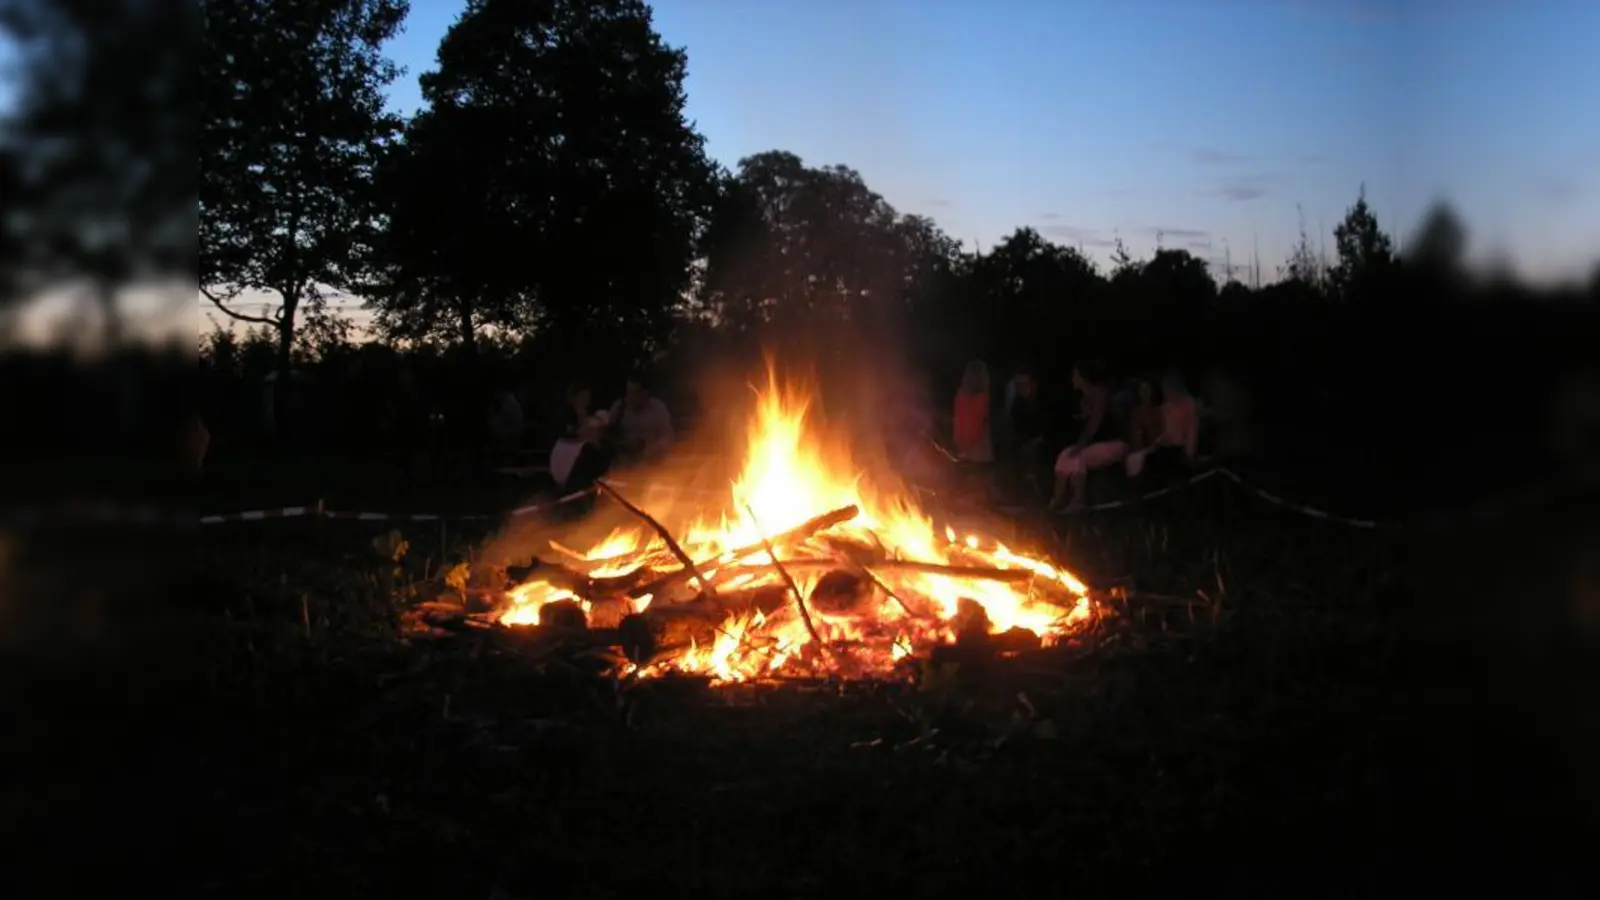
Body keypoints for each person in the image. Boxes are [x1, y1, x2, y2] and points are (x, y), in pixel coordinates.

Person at [1051, 363, 1129, 511]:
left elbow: (1094, 425)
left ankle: (1078, 500)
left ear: (1083, 377)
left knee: (1078, 457)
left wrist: (1079, 446)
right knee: (1064, 455)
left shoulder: (1100, 393)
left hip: (1114, 442)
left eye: (1075, 375)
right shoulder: (1083, 400)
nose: (1072, 379)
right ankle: (1057, 500)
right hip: (1095, 445)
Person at [1125, 369, 1199, 478]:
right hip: (1160, 446)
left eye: (1147, 390)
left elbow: (1191, 431)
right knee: (1136, 459)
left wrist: (1189, 454)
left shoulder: (1186, 403)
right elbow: (1164, 433)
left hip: (1176, 448)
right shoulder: (1164, 407)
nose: (1166, 391)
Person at [550, 380, 613, 491]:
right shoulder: (565, 414)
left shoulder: (591, 412)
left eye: (587, 397)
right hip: (567, 451)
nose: (585, 400)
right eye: (582, 397)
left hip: (585, 451)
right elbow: (572, 433)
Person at [606, 372, 675, 464]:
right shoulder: (619, 408)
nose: (631, 397)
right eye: (629, 392)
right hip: (624, 460)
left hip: (651, 461)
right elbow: (608, 434)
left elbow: (667, 434)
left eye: (635, 393)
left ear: (645, 393)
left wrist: (659, 446)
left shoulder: (658, 408)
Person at [952, 359, 994, 462]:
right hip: (978, 447)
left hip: (965, 444)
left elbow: (959, 421)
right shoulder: (984, 398)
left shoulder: (960, 396)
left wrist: (960, 443)